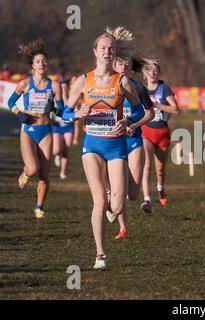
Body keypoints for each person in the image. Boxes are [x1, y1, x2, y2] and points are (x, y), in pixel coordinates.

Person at [62, 27, 145, 270]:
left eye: (111, 49)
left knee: (117, 206)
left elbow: (139, 110)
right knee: (98, 201)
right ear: (95, 52)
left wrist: (128, 121)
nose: (107, 52)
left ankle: (112, 198)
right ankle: (100, 254)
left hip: (116, 144)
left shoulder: (122, 81)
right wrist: (78, 113)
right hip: (93, 145)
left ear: (115, 53)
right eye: (103, 48)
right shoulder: (83, 80)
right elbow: (65, 113)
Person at [7, 39, 63, 219]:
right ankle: (25, 173)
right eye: (38, 61)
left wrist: (58, 108)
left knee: (45, 174)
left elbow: (60, 109)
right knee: (33, 169)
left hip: (46, 131)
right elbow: (10, 102)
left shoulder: (54, 86)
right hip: (29, 131)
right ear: (32, 65)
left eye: (44, 61)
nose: (42, 64)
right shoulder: (25, 84)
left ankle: (39, 206)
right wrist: (18, 113)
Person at [110, 53, 154, 240]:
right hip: (112, 142)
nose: (125, 64)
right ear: (113, 65)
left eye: (127, 61)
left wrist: (134, 125)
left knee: (134, 193)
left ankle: (112, 197)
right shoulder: (106, 86)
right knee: (119, 188)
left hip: (134, 139)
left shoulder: (138, 87)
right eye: (120, 62)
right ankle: (121, 224)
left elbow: (150, 114)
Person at [140, 59, 180, 213]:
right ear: (144, 72)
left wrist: (157, 105)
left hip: (162, 132)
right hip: (146, 131)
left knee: (160, 170)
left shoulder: (164, 89)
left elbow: (176, 110)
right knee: (147, 164)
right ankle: (147, 199)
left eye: (155, 70)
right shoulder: (141, 89)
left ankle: (160, 187)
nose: (152, 72)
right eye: (149, 70)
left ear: (159, 73)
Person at [52, 79, 74, 179]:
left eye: (65, 87)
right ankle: (57, 155)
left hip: (68, 127)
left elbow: (72, 110)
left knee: (66, 149)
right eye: (62, 87)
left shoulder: (71, 99)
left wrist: (65, 96)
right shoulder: (55, 99)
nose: (64, 89)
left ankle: (63, 172)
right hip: (57, 127)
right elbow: (55, 112)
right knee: (56, 150)